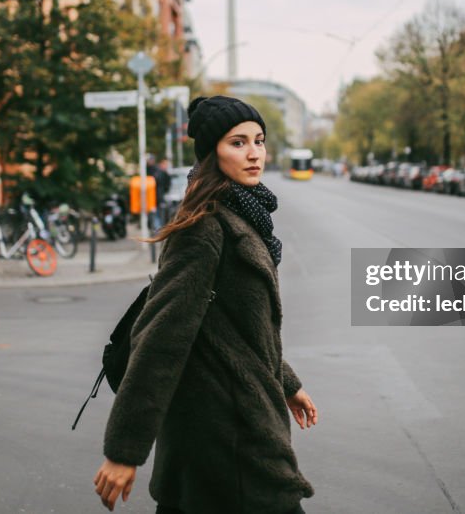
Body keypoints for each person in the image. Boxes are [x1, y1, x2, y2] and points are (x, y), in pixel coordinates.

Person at [95, 95, 317, 514]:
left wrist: (287, 382)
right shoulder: (205, 230)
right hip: (224, 438)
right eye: (238, 143)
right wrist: (124, 450)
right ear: (213, 153)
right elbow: (161, 338)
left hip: (237, 430)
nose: (254, 153)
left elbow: (241, 327)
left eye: (259, 141)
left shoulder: (246, 218)